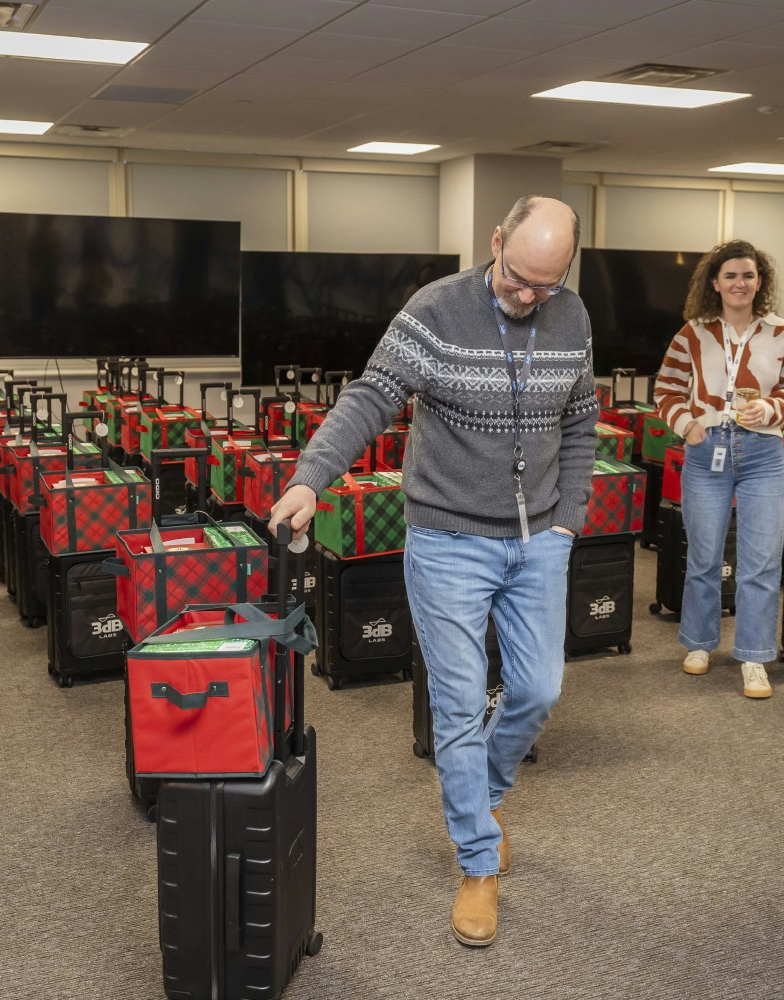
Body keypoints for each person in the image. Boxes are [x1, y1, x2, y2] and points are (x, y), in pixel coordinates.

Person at [267, 196, 596, 949]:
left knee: (539, 690)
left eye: (546, 285)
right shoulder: (436, 310)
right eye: (517, 278)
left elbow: (580, 418)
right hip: (448, 538)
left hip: (540, 538)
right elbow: (370, 397)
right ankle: (478, 859)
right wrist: (311, 477)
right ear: (496, 242)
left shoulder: (573, 316)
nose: (528, 296)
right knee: (457, 703)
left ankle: (484, 797)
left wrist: (570, 517)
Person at [653, 240, 784, 699]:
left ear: (760, 282)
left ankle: (754, 657)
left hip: (763, 453)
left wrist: (772, 408)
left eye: (748, 275)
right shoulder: (693, 333)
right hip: (707, 452)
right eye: (731, 276)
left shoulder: (781, 332)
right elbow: (666, 388)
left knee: (761, 562)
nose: (740, 283)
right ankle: (699, 643)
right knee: (704, 557)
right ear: (715, 283)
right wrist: (688, 426)